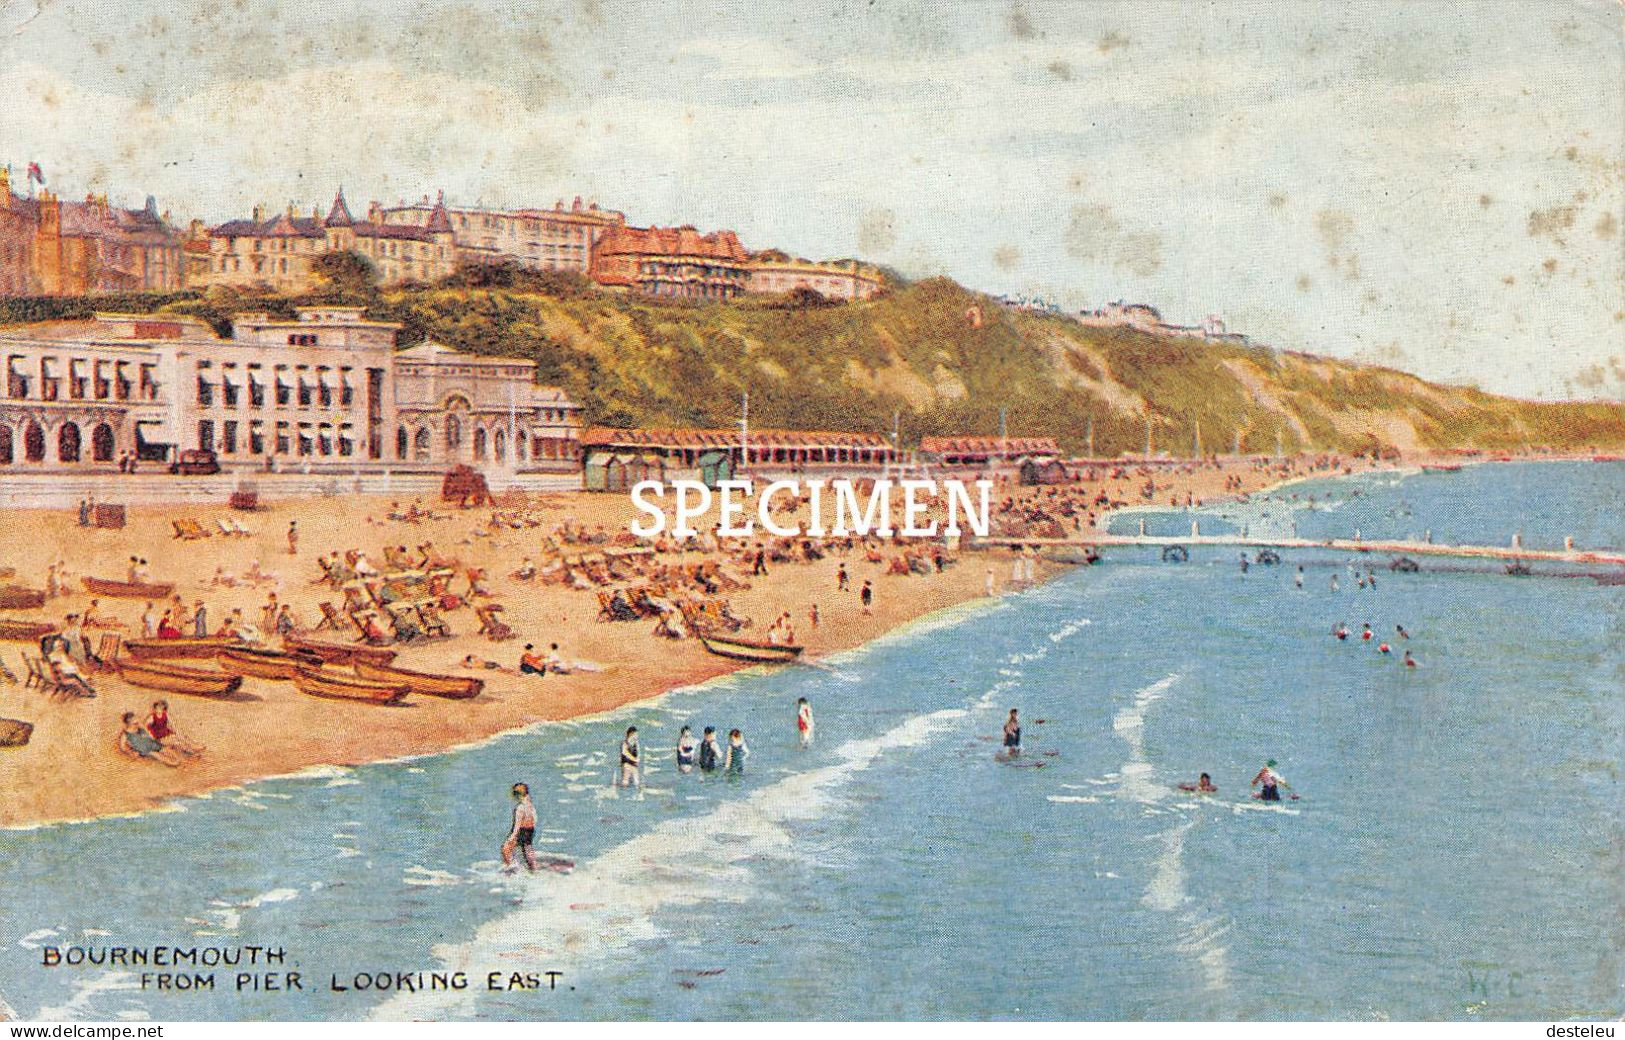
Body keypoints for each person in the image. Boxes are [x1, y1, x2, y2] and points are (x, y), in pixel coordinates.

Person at [117, 712, 182, 767]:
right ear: (129, 722)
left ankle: (178, 760)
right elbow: (122, 746)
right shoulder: (126, 734)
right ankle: (173, 763)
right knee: (158, 756)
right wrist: (131, 752)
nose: (137, 721)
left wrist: (151, 735)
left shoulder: (140, 726)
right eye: (135, 721)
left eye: (136, 719)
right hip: (144, 748)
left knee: (165, 749)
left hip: (152, 743)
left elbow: (148, 733)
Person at [501, 782, 539, 874]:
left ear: (516, 795)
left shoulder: (520, 808)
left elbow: (516, 826)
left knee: (505, 848)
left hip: (521, 831)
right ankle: (533, 869)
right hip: (530, 831)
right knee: (527, 849)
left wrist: (511, 837)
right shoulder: (531, 806)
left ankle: (512, 867)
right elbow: (534, 820)